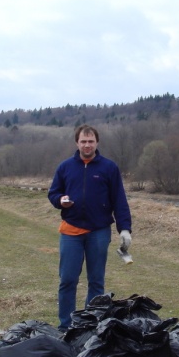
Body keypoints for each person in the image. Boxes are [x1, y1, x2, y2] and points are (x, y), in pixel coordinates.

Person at [48, 125, 132, 331]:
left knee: (96, 281)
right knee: (67, 280)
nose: (87, 145)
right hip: (71, 231)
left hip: (99, 231)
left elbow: (119, 200)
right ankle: (65, 326)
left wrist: (125, 229)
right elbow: (53, 193)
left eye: (91, 141)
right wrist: (61, 200)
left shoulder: (109, 168)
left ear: (97, 143)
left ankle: (90, 325)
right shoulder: (65, 167)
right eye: (83, 141)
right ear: (77, 143)